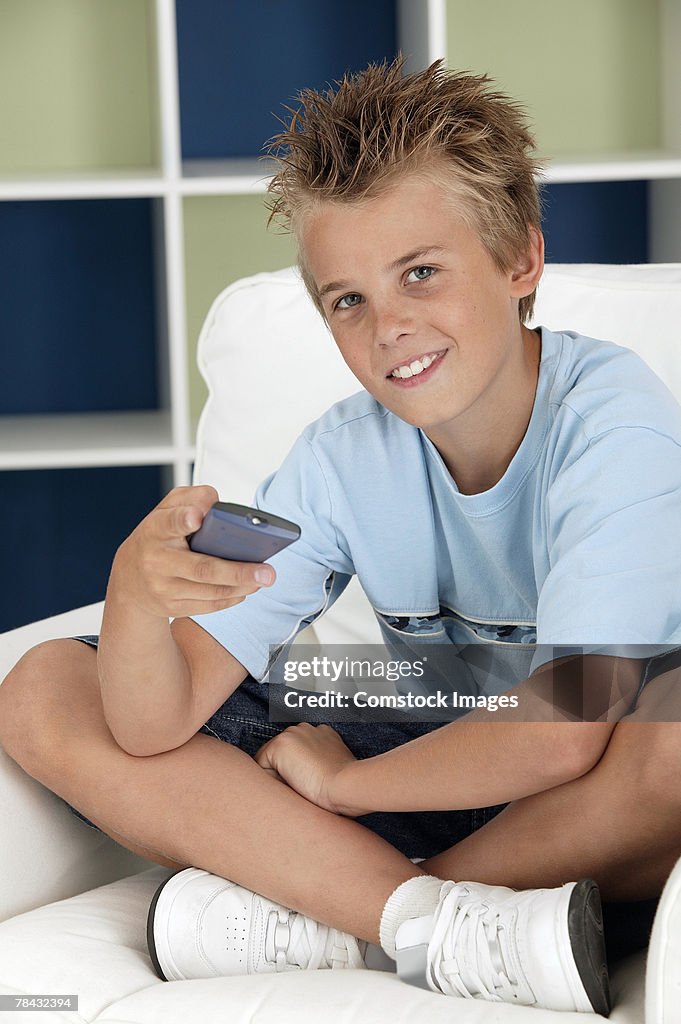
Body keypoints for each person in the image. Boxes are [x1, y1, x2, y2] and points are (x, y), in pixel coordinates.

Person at [1, 57, 681, 1014]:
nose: (388, 327)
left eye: (420, 274)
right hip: (430, 725)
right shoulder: (332, 458)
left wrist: (345, 791)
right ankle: (422, 925)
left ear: (520, 260)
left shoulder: (616, 419)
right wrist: (133, 592)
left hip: (576, 785)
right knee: (45, 687)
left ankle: (362, 913)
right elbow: (156, 722)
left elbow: (572, 719)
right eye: (347, 299)